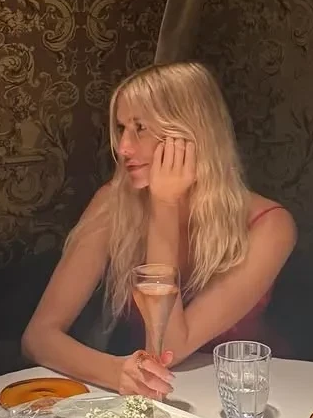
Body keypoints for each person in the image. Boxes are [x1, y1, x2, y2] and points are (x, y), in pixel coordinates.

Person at [22, 61, 296, 399]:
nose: (123, 147)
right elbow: (37, 337)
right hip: (157, 399)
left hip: (245, 399)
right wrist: (115, 372)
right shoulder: (113, 203)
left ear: (191, 133)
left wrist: (165, 205)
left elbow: (169, 346)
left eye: (140, 128)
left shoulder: (270, 224)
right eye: (121, 128)